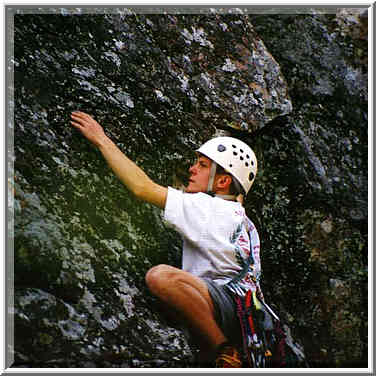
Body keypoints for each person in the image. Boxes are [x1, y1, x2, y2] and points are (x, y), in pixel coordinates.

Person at [70, 111, 262, 367]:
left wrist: (101, 139)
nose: (192, 169)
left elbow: (142, 188)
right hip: (250, 318)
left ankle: (224, 352)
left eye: (203, 165)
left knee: (161, 277)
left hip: (228, 308)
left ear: (224, 181)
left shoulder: (208, 208)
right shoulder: (241, 218)